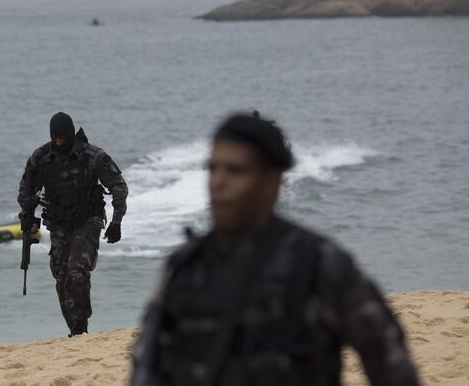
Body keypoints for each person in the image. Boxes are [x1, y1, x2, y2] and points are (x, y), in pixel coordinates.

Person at [130, 111, 420, 385]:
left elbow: (392, 369)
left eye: (235, 171)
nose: (218, 182)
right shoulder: (185, 267)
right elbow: (146, 368)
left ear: (272, 181)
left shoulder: (319, 265)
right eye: (212, 169)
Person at [18, 112, 128, 337]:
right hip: (59, 223)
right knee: (61, 276)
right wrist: (29, 214)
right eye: (56, 138)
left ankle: (81, 329)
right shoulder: (41, 157)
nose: (60, 143)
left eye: (63, 139)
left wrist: (116, 221)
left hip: (88, 220)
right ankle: (74, 330)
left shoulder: (92, 156)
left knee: (77, 270)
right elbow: (25, 189)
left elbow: (119, 186)